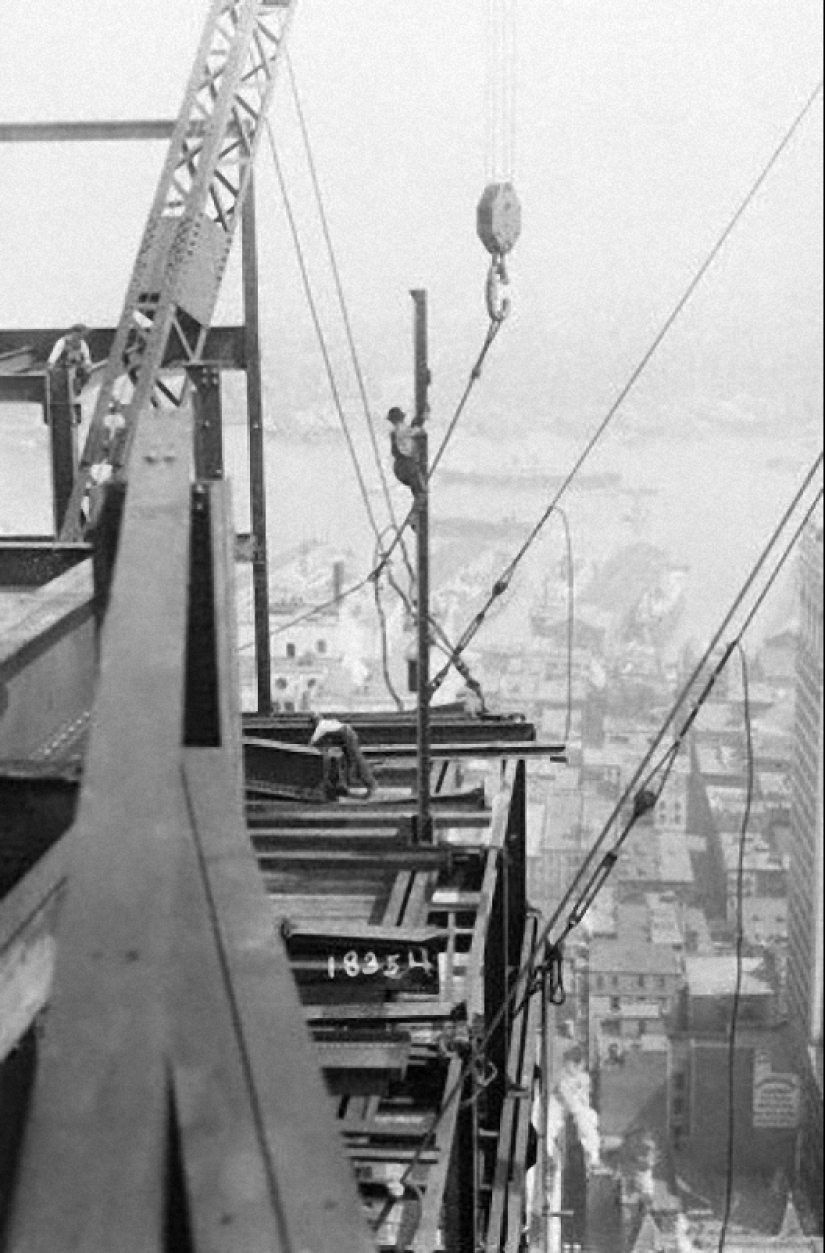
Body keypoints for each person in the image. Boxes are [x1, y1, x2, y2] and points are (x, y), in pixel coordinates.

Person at [309, 714, 376, 797]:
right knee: (350, 761)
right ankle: (345, 786)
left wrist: (307, 748)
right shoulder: (328, 722)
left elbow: (313, 740)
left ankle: (370, 784)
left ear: (316, 721)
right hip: (347, 734)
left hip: (347, 736)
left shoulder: (321, 726)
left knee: (356, 760)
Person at [47, 324, 92, 421]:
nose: (81, 337)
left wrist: (87, 366)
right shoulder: (62, 342)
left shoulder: (82, 344)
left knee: (83, 377)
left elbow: (87, 357)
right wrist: (51, 367)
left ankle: (77, 392)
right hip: (63, 369)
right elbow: (53, 357)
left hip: (76, 369)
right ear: (74, 333)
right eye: (80, 335)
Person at [387, 406, 425, 499]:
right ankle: (420, 497)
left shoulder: (395, 431)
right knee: (416, 481)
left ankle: (419, 497)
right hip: (406, 463)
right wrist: (419, 429)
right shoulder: (400, 428)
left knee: (415, 482)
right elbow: (411, 432)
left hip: (401, 465)